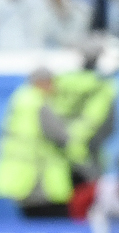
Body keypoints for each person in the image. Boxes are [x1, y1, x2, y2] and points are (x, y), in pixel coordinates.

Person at [0, 68, 74, 217]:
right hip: (42, 179)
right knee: (52, 223)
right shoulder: (39, 103)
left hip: (21, 179)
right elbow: (61, 136)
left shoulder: (19, 100)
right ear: (42, 83)